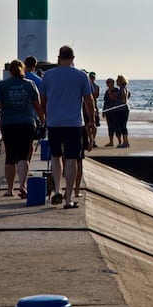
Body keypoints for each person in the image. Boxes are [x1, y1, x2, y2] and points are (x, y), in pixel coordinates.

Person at [40, 45, 95, 208]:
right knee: (72, 159)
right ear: (73, 58)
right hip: (74, 123)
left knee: (56, 156)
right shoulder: (81, 76)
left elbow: (43, 100)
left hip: (54, 122)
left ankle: (57, 189)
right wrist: (91, 121)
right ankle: (68, 197)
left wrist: (47, 115)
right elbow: (89, 100)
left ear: (58, 58)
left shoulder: (48, 75)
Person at [0, 60, 45, 198]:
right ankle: (22, 185)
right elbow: (37, 105)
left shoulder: (2, 85)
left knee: (10, 156)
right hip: (27, 123)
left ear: (10, 71)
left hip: (8, 124)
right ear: (22, 70)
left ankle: (10, 189)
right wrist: (43, 120)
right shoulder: (30, 84)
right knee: (23, 155)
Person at [116, 74, 131, 148]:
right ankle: (126, 142)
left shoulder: (122, 88)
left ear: (120, 81)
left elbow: (124, 97)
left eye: (117, 80)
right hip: (124, 109)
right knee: (123, 126)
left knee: (122, 126)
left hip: (122, 109)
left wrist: (123, 101)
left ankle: (125, 142)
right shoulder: (125, 88)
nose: (116, 81)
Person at [102, 77, 118, 147]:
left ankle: (120, 141)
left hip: (115, 111)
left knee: (116, 126)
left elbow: (114, 98)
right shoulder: (107, 91)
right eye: (107, 82)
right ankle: (111, 142)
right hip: (108, 111)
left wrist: (110, 92)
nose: (107, 84)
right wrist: (103, 111)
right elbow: (105, 102)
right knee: (110, 127)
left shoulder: (116, 90)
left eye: (109, 82)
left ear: (113, 83)